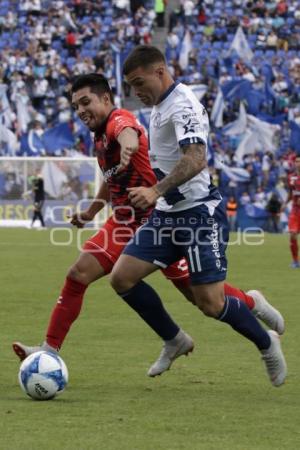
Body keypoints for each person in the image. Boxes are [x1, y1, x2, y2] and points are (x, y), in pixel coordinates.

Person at [13, 74, 284, 375]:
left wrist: (129, 145)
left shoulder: (119, 119)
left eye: (86, 102)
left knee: (200, 296)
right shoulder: (99, 135)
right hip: (126, 221)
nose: (80, 111)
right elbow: (111, 177)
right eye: (75, 106)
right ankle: (50, 350)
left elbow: (128, 131)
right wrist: (91, 212)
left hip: (159, 217)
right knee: (78, 274)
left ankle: (250, 302)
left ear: (106, 99)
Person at [110, 46, 287, 386]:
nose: (136, 92)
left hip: (198, 214)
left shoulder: (184, 104)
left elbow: (195, 158)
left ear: (160, 71)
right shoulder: (160, 104)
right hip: (167, 214)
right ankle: (175, 339)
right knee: (122, 278)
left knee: (209, 302)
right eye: (131, 86)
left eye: (138, 82)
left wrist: (155, 191)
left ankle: (267, 343)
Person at [286, 155, 300, 267]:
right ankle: (295, 260)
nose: (298, 163)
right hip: (295, 210)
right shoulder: (291, 177)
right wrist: (284, 203)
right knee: (292, 234)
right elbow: (291, 193)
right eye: (296, 161)